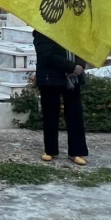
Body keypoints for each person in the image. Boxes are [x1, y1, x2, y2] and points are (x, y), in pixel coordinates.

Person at [32, 31, 89, 166]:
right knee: (50, 115)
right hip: (50, 78)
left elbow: (83, 49)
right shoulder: (42, 30)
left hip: (72, 79)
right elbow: (47, 55)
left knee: (75, 115)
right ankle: (50, 150)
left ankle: (76, 151)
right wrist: (71, 66)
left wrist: (79, 66)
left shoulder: (73, 29)